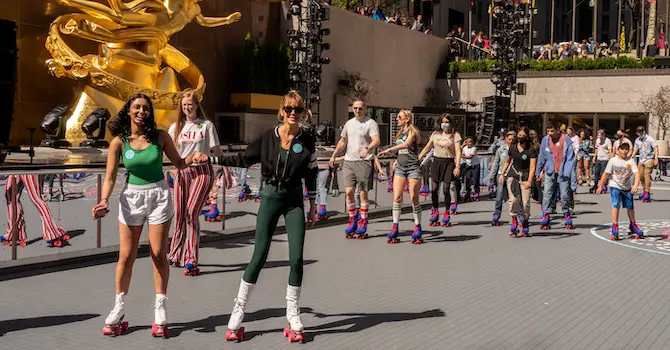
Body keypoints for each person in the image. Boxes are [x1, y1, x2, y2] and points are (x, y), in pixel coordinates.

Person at [197, 91, 318, 343]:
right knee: (259, 256)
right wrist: (210, 158)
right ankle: (238, 310)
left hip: (295, 202)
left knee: (296, 258)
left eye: (297, 109)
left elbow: (311, 173)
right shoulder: (268, 138)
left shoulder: (307, 140)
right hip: (271, 198)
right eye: (288, 109)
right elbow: (243, 158)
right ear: (281, 112)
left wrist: (314, 204)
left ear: (303, 112)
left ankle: (292, 311)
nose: (292, 113)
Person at [92, 93, 198, 338]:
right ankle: (118, 308)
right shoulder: (119, 142)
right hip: (131, 198)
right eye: (137, 107)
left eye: (145, 108)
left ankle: (160, 307)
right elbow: (109, 177)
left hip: (158, 195)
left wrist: (191, 159)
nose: (141, 111)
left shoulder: (160, 137)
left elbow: (179, 163)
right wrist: (104, 200)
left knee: (158, 253)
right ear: (128, 111)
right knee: (126, 256)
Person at [167, 91, 230, 275]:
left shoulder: (206, 126)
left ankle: (191, 258)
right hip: (182, 172)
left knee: (191, 211)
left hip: (202, 172)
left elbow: (216, 149)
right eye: (184, 105)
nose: (188, 107)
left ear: (196, 105)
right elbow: (169, 152)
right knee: (179, 213)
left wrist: (226, 170)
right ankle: (175, 253)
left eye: (190, 104)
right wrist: (172, 169)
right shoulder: (175, 128)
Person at [329, 100, 380, 238]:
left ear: (365, 108)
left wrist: (367, 148)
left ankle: (363, 220)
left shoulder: (371, 123)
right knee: (348, 192)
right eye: (355, 108)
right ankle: (352, 219)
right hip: (349, 161)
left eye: (360, 108)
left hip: (363, 162)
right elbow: (342, 141)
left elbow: (376, 140)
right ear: (352, 109)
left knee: (363, 193)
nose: (358, 110)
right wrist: (334, 155)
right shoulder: (349, 124)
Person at [378, 110, 424, 244]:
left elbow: (405, 145)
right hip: (401, 168)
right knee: (397, 197)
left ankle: (417, 226)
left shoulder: (412, 131)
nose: (397, 119)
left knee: (413, 198)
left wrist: (389, 150)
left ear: (407, 118)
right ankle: (395, 226)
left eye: (399, 117)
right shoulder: (400, 133)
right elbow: (403, 151)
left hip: (413, 167)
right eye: (397, 117)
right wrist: (397, 160)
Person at [3, 175, 70, 247]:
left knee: (36, 198)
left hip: (27, 167)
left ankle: (52, 233)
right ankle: (16, 233)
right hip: (15, 167)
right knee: (10, 197)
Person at [596, 142, 644, 240]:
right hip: (615, 186)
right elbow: (605, 174)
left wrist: (635, 185)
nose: (625, 151)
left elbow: (637, 173)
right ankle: (615, 225)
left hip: (626, 187)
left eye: (626, 149)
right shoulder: (613, 161)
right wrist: (600, 186)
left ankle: (633, 224)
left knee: (630, 207)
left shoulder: (630, 161)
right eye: (623, 149)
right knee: (616, 204)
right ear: (618, 150)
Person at [536, 122, 576, 230]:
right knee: (547, 193)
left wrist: (572, 179)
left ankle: (566, 213)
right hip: (550, 171)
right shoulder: (545, 140)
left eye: (552, 131)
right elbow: (541, 156)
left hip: (563, 172)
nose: (549, 133)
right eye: (548, 131)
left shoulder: (566, 140)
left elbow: (571, 160)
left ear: (558, 130)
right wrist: (538, 171)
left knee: (564, 195)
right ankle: (546, 214)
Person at [499, 127, 537, 237]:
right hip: (513, 175)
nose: (521, 138)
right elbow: (507, 161)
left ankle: (525, 221)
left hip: (525, 176)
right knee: (513, 200)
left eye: (523, 136)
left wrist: (529, 181)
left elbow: (532, 167)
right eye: (519, 136)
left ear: (527, 138)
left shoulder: (531, 149)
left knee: (525, 203)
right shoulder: (513, 147)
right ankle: (514, 219)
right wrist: (502, 174)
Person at [488, 130, 515, 225]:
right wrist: (491, 176)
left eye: (513, 139)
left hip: (512, 175)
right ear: (506, 139)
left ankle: (517, 216)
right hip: (501, 174)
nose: (511, 141)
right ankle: (496, 215)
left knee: (514, 197)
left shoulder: (517, 149)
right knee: (499, 195)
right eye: (509, 139)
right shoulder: (501, 149)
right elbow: (496, 162)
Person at [632, 126, 659, 202]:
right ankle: (644, 190)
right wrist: (631, 157)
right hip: (641, 159)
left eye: (641, 132)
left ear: (644, 131)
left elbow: (655, 148)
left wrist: (656, 158)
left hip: (649, 159)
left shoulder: (649, 139)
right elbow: (635, 149)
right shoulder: (637, 140)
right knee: (640, 176)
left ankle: (647, 191)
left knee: (646, 175)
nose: (639, 133)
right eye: (638, 132)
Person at [590, 129, 612, 193]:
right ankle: (595, 185)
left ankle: (604, 185)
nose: (600, 136)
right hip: (599, 158)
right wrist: (594, 157)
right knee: (596, 173)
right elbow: (596, 148)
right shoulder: (598, 140)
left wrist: (611, 159)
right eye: (599, 134)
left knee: (603, 173)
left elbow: (610, 150)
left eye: (601, 134)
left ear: (604, 134)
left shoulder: (608, 141)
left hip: (605, 159)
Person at [461, 136, 480, 201]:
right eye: (468, 142)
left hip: (475, 166)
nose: (469, 143)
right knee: (468, 180)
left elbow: (470, 157)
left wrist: (461, 156)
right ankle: (468, 194)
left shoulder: (474, 148)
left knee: (475, 181)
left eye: (471, 142)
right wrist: (463, 145)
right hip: (468, 166)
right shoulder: (464, 148)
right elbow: (460, 152)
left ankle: (476, 194)